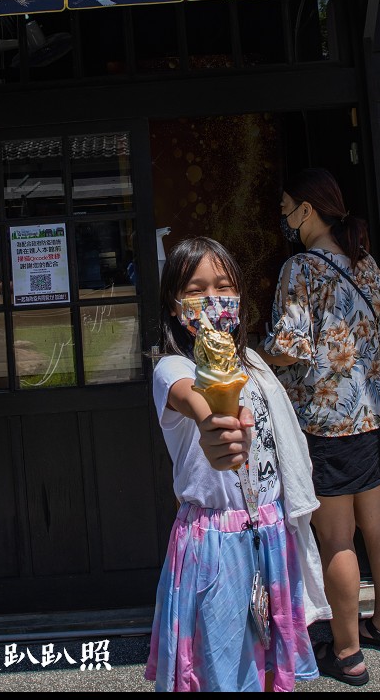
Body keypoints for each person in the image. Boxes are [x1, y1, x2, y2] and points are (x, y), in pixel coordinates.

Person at [144, 236, 331, 693]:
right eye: (196, 289)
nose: (212, 300)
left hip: (269, 533)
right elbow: (196, 399)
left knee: (268, 665)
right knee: (222, 671)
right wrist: (216, 431)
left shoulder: (252, 365)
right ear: (174, 304)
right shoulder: (171, 367)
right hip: (215, 542)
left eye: (223, 286)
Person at [255, 168, 380, 687]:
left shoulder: (300, 269)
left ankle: (347, 652)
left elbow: (290, 346)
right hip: (373, 416)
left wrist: (249, 354)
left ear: (308, 209)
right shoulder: (365, 265)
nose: (283, 216)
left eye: (286, 206)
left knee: (337, 540)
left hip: (326, 423)